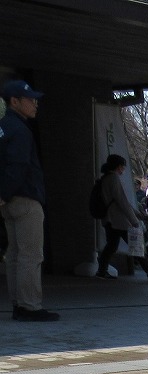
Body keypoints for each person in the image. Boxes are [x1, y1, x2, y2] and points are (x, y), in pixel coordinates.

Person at [0, 79, 58, 321]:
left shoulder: (3, 127)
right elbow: (20, 165)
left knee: (14, 253)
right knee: (31, 254)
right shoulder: (21, 130)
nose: (35, 104)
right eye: (30, 99)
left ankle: (18, 303)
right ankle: (29, 306)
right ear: (15, 101)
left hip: (8, 202)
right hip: (24, 198)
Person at [95, 154, 148, 280]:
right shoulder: (113, 179)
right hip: (118, 219)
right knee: (134, 244)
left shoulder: (105, 178)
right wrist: (136, 220)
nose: (123, 169)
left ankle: (101, 270)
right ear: (118, 166)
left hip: (109, 219)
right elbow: (122, 202)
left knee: (111, 246)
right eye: (122, 166)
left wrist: (140, 216)